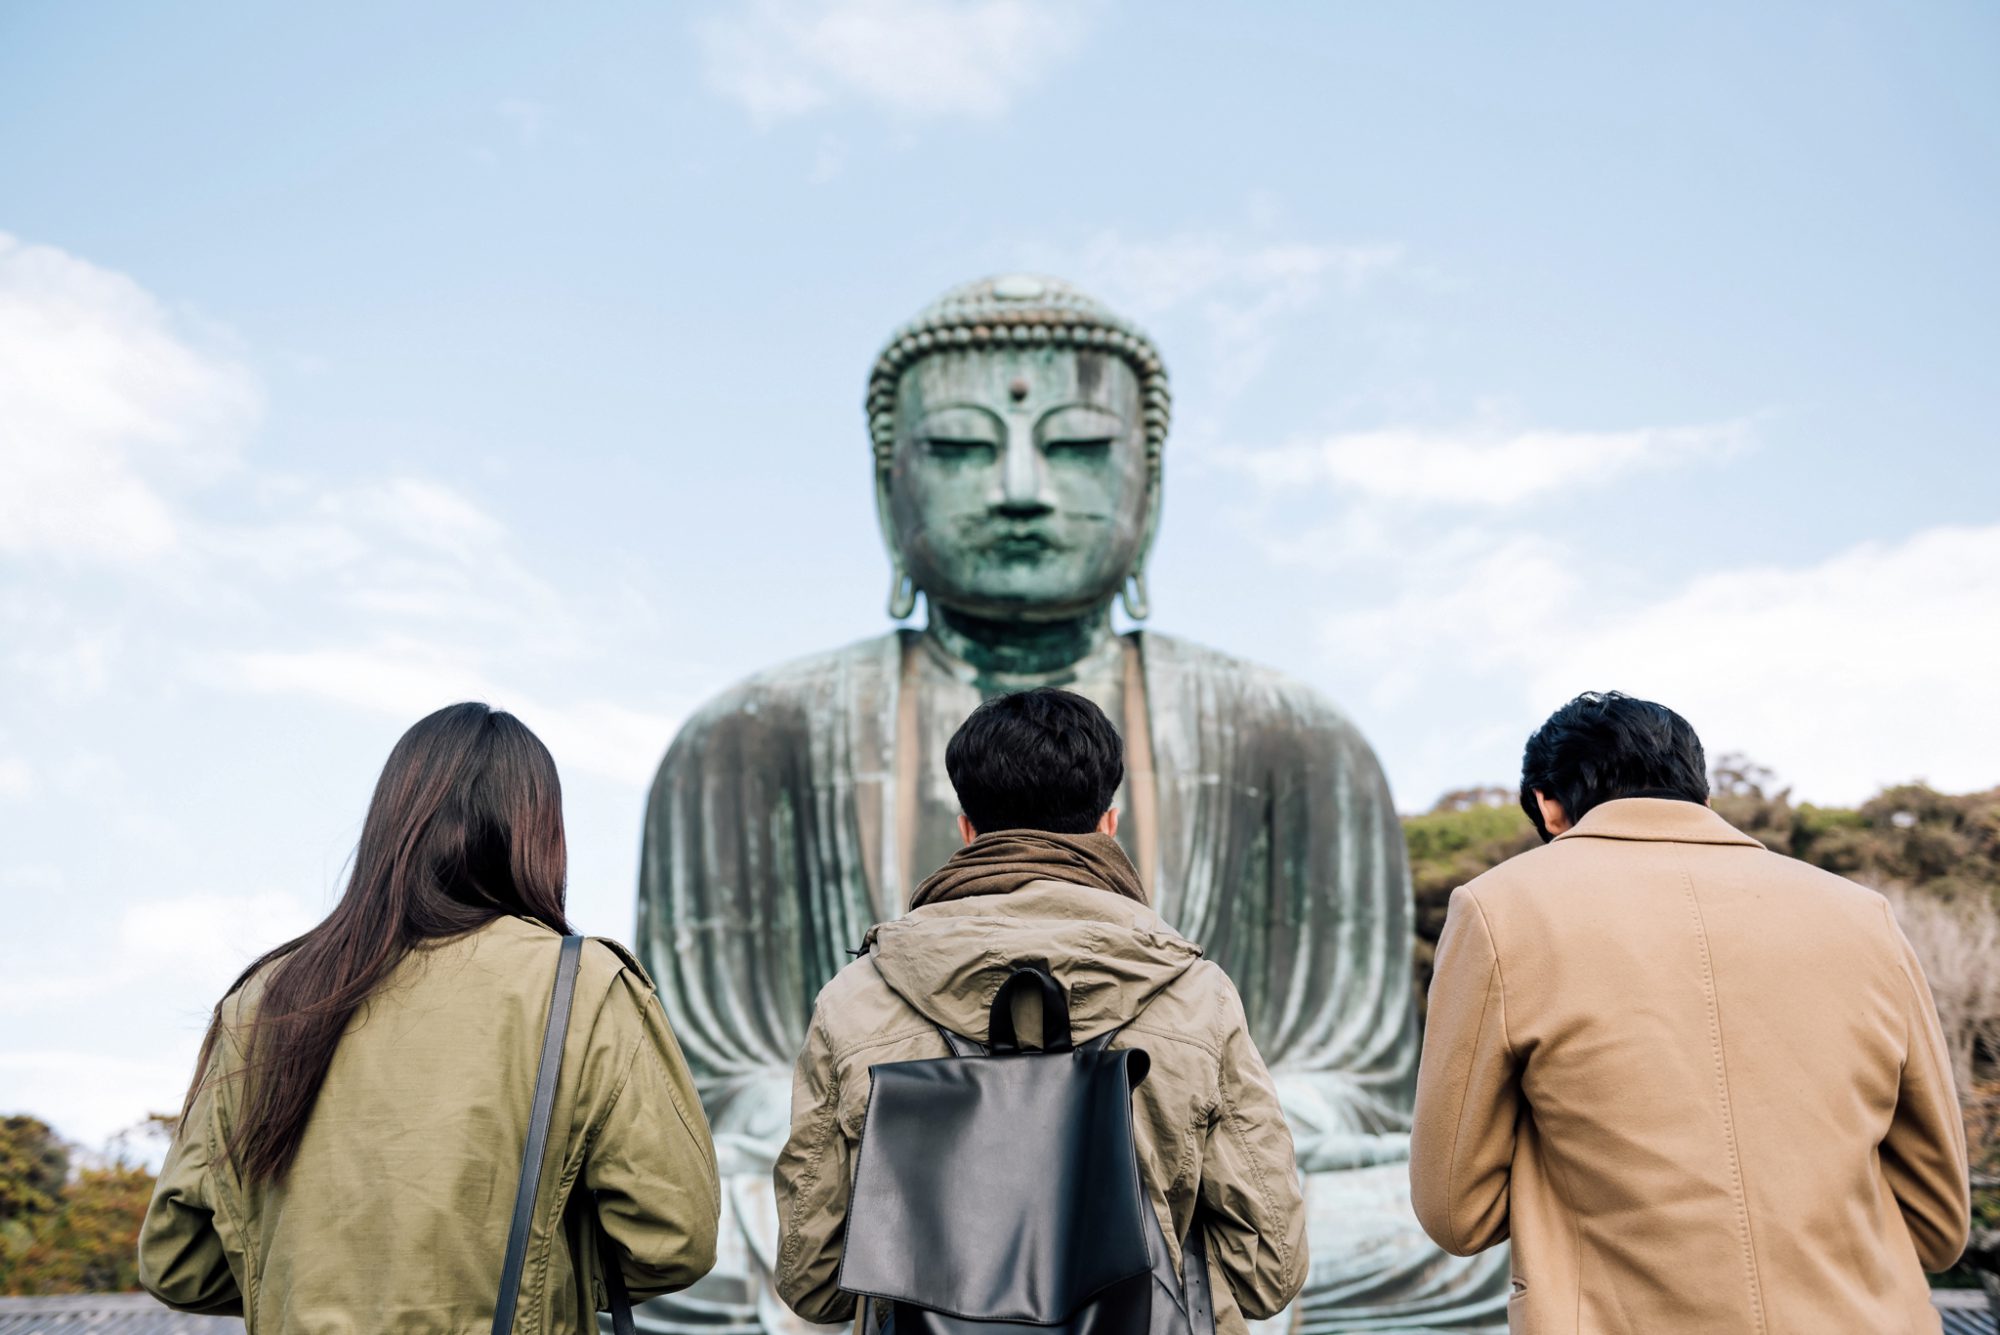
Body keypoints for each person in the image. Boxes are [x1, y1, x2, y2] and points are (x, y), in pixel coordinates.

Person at [139, 703, 721, 1332]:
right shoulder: (583, 985)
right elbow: (676, 1236)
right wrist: (541, 1268)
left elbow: (179, 1261)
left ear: (391, 822)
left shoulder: (266, 998)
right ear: (538, 833)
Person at [1410, 690, 1971, 1332]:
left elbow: (1457, 1213)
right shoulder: (1861, 914)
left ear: (1549, 804)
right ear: (1703, 797)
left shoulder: (1496, 910)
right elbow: (1938, 1225)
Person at [772, 687, 1308, 1335]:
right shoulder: (1196, 993)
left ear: (967, 829)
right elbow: (1268, 1269)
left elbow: (813, 1283)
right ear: (1109, 823)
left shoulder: (857, 996)